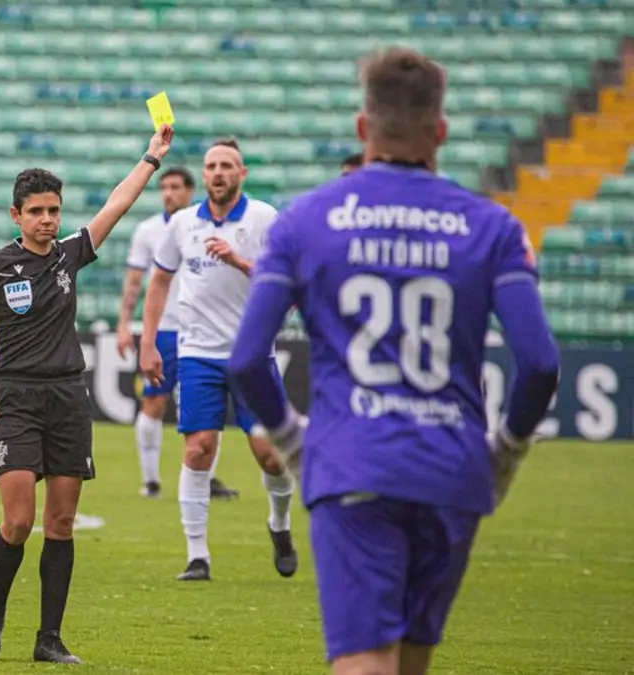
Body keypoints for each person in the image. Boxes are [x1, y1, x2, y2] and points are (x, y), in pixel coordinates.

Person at [227, 47, 560, 675]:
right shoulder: (494, 227)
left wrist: (295, 445)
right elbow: (540, 363)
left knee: (364, 663)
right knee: (410, 663)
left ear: (363, 127)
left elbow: (246, 360)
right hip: (452, 471)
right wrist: (506, 453)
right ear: (441, 132)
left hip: (352, 464)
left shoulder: (303, 222)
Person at [0, 125, 173, 665]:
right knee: (18, 521)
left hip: (68, 400)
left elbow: (117, 205)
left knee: (60, 524)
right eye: (36, 211)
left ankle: (48, 639)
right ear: (16, 215)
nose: (47, 219)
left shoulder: (68, 255)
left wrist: (151, 157)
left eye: (53, 210)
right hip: (15, 400)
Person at [139, 138, 298, 582]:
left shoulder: (265, 218)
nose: (219, 172)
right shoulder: (183, 223)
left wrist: (240, 262)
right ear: (204, 175)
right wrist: (148, 341)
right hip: (197, 353)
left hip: (252, 355)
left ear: (242, 173)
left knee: (271, 456)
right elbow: (158, 282)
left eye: (227, 165)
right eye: (212, 166)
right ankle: (197, 556)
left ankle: (279, 523)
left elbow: (288, 283)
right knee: (197, 448)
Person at [117, 166, 238, 500]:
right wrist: (124, 324)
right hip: (166, 329)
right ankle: (151, 481)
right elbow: (135, 281)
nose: (169, 193)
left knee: (208, 406)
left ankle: (205, 479)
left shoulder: (206, 225)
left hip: (204, 329)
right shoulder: (147, 230)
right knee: (154, 401)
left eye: (175, 187)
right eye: (164, 187)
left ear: (189, 191)